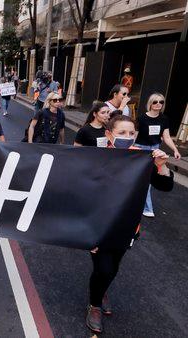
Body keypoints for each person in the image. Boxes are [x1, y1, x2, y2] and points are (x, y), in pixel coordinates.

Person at [85, 114, 173, 334]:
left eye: (131, 133)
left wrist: (161, 166)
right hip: (99, 228)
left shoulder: (143, 158)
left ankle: (101, 290)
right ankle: (94, 305)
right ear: (109, 134)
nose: (127, 137)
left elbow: (164, 185)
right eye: (121, 133)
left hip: (127, 229)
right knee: (103, 269)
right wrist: (85, 233)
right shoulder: (95, 158)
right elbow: (81, 194)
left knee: (113, 268)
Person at [134, 93, 181, 218]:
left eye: (161, 102)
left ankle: (145, 206)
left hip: (155, 150)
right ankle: (145, 206)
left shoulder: (164, 119)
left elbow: (166, 137)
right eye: (155, 102)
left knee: (149, 178)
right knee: (143, 178)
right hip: (141, 149)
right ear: (150, 103)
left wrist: (175, 150)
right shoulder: (141, 118)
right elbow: (134, 136)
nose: (158, 104)